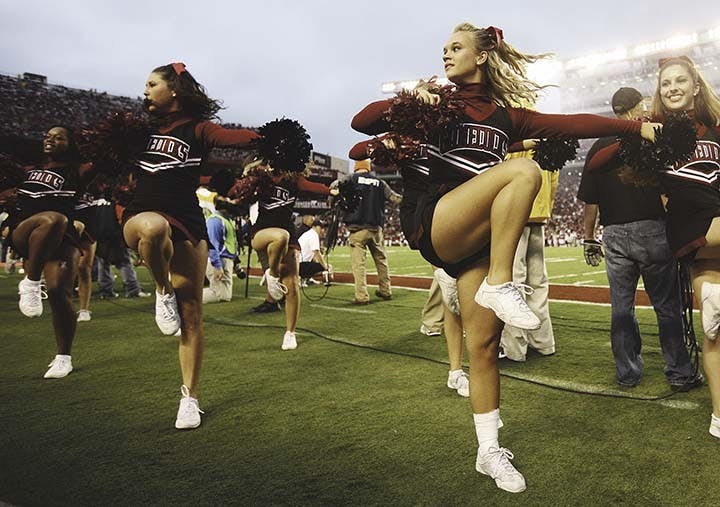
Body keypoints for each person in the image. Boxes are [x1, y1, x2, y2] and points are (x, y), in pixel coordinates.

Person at [352, 23, 659, 493]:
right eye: (444, 49)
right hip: (433, 221)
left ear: (480, 57)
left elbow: (573, 124)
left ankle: (488, 450)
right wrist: (411, 100)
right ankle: (501, 282)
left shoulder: (506, 119)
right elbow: (361, 124)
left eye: (455, 48)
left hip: (473, 241)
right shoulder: (437, 106)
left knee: (483, 347)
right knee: (523, 171)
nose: (446, 55)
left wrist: (633, 126)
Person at [121, 62, 260, 429]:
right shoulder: (136, 132)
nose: (146, 90)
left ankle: (189, 398)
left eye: (152, 84)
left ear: (175, 90)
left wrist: (270, 138)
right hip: (142, 213)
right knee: (153, 229)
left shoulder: (198, 129)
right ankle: (161, 288)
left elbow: (232, 138)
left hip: (187, 217)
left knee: (192, 315)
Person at [590, 58, 720, 438]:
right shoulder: (656, 131)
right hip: (688, 228)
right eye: (666, 83)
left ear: (697, 86)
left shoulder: (714, 127)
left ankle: (718, 416)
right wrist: (636, 129)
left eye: (681, 80)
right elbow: (598, 162)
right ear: (658, 92)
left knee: (712, 331)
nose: (674, 87)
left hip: (712, 231)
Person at [579, 86, 701, 390]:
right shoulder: (650, 136)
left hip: (615, 234)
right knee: (667, 306)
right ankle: (680, 373)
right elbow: (667, 190)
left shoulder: (598, 148)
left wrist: (588, 237)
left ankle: (628, 373)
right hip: (652, 230)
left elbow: (590, 201)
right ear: (636, 107)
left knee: (621, 307)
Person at [8, 125, 88, 378]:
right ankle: (31, 282)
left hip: (62, 239)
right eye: (47, 136)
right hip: (26, 231)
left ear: (71, 144)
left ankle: (64, 357)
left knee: (58, 291)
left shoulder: (78, 171)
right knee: (53, 219)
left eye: (59, 137)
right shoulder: (29, 171)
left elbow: (107, 160)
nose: (50, 140)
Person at [244, 158, 333, 350]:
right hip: (262, 232)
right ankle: (273, 274)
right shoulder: (260, 175)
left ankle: (290, 333)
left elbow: (312, 186)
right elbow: (238, 192)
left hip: (287, 234)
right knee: (279, 236)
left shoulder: (294, 180)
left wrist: (332, 191)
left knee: (292, 284)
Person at [500, 142, 558, 361]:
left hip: (515, 211)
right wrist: (546, 208)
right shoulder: (546, 135)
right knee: (538, 282)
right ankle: (543, 342)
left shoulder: (517, 132)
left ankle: (515, 349)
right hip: (539, 213)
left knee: (512, 280)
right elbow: (554, 177)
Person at [343, 159, 402, 305]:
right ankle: (385, 290)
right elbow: (395, 198)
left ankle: (362, 296)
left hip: (357, 229)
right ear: (368, 168)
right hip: (376, 229)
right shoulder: (379, 182)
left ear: (356, 167)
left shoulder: (351, 178)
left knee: (359, 264)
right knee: (381, 260)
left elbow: (335, 186)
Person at [202, 200, 238, 303]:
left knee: (224, 295)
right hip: (221, 259)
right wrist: (217, 266)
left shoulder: (225, 219)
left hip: (225, 259)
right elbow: (212, 244)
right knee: (220, 295)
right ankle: (186, 297)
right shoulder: (215, 221)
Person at [298, 218, 332, 284]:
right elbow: (316, 252)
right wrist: (325, 266)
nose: (322, 230)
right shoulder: (314, 235)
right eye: (320, 227)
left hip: (297, 264)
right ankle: (303, 278)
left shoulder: (308, 234)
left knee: (316, 263)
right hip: (301, 265)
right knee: (325, 266)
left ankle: (306, 278)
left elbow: (313, 256)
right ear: (314, 227)